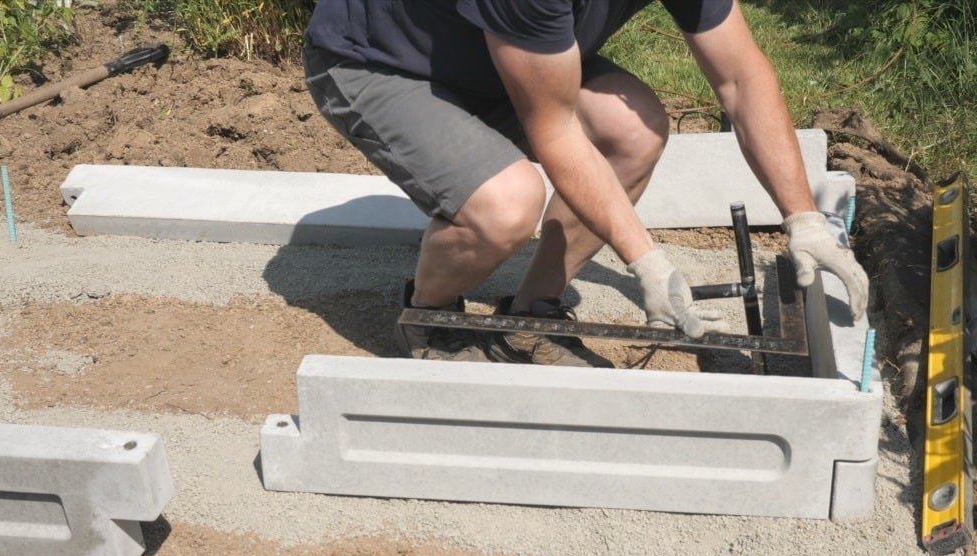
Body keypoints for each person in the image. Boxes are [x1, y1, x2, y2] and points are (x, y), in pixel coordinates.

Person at [303, 0, 869, 367]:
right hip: (384, 63)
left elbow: (741, 78)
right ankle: (432, 320)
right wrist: (648, 262)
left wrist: (804, 219)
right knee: (505, 206)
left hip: (502, 56)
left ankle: (532, 317)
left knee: (634, 132)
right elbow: (555, 129)